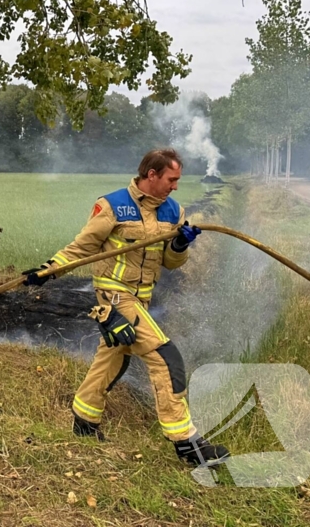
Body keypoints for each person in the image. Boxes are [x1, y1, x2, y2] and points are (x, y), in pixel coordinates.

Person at [23, 148, 229, 467]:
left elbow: (172, 263)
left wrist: (179, 244)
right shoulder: (112, 206)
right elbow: (82, 248)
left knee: (113, 358)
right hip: (114, 298)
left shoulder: (173, 211)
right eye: (171, 179)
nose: (175, 186)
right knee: (166, 357)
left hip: (142, 299)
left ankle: (84, 421)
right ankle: (187, 444)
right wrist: (48, 269)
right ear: (151, 175)